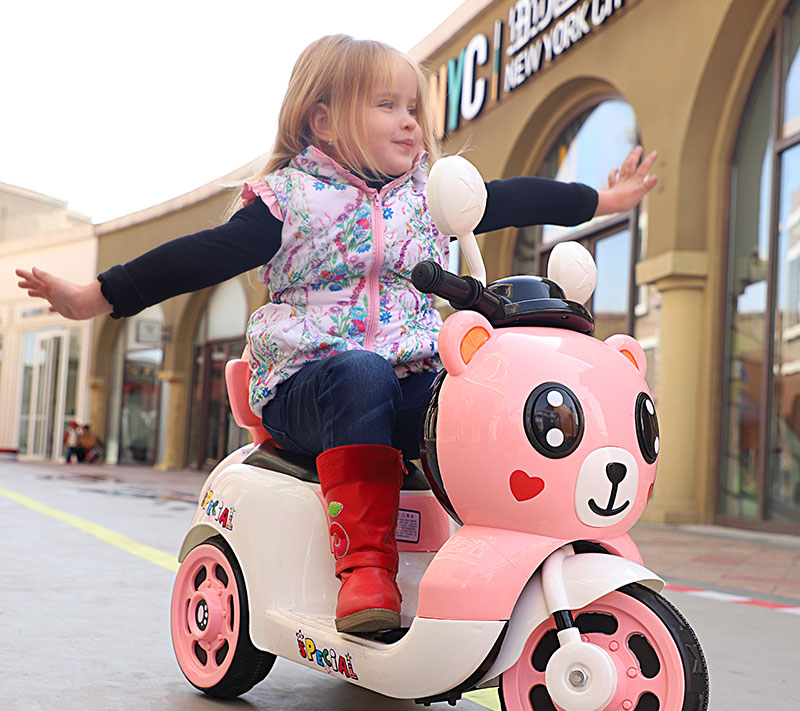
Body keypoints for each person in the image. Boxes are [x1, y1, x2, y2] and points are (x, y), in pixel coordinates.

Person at [16, 34, 657, 635]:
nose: (411, 121)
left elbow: (515, 198)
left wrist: (603, 200)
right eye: (388, 106)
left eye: (414, 108)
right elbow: (197, 257)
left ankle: (498, 557)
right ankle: (366, 569)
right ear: (323, 121)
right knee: (361, 372)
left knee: (481, 392)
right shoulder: (288, 200)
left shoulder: (428, 196)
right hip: (308, 390)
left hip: (403, 380)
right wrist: (91, 297)